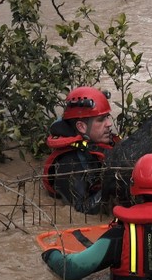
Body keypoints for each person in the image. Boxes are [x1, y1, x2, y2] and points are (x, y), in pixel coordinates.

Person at [42, 87, 119, 215]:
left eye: (107, 117)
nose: (109, 124)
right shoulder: (69, 164)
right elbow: (82, 210)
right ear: (81, 127)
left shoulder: (97, 142)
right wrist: (113, 184)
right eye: (101, 120)